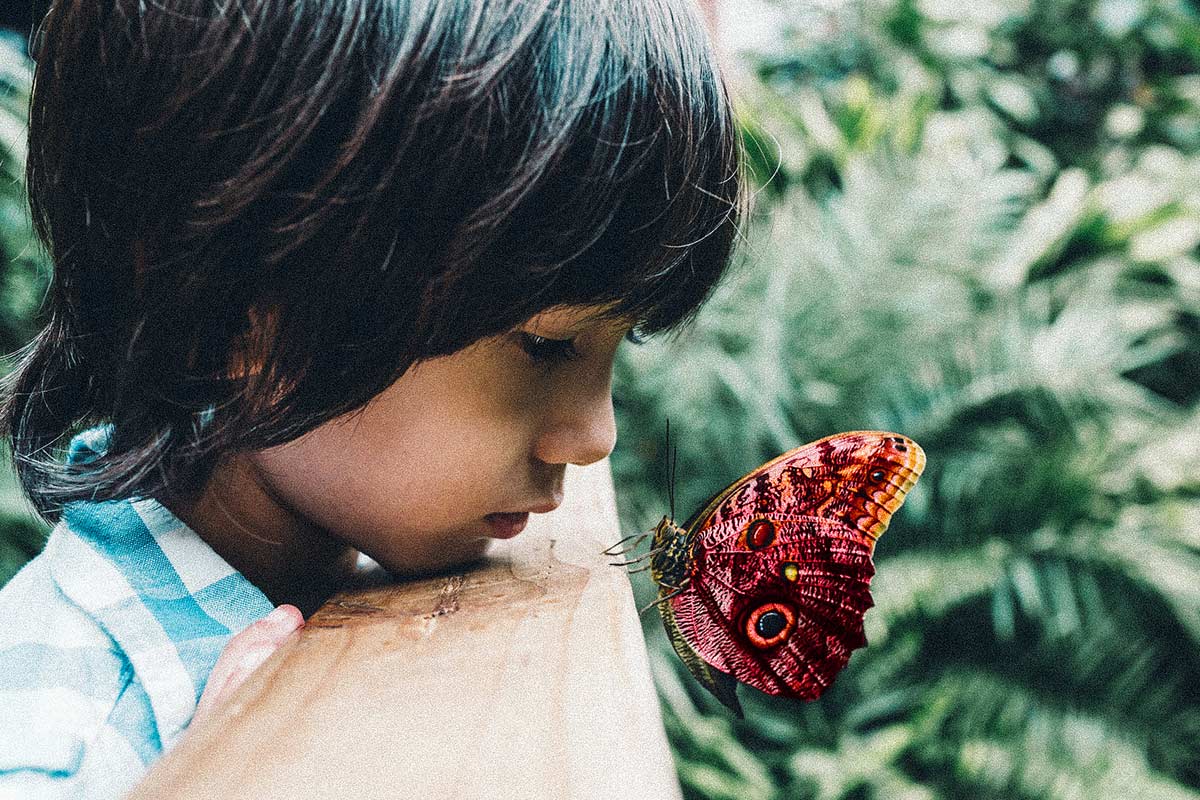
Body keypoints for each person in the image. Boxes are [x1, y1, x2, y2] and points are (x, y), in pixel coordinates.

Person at [0, 0, 744, 796]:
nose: (597, 436)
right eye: (545, 345)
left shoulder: (349, 537)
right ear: (239, 315)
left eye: (616, 344)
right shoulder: (61, 737)